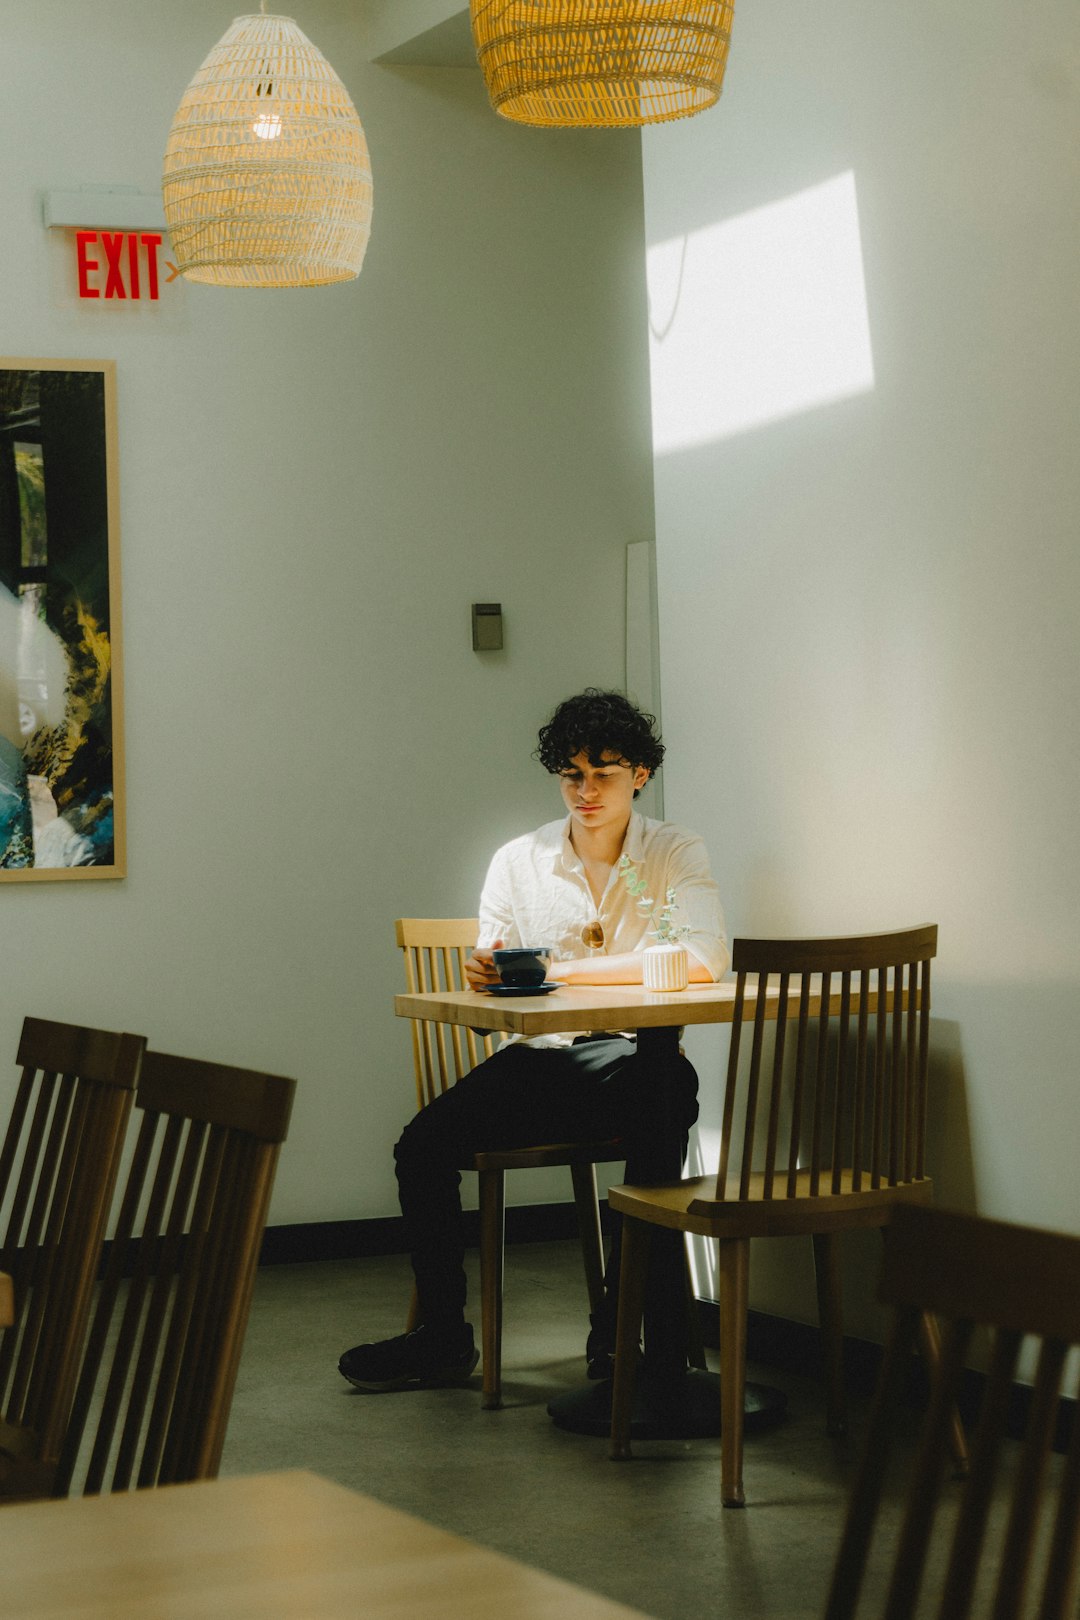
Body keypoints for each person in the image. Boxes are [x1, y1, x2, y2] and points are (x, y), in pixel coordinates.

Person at [339, 688, 729, 1392]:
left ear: (639, 774)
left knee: (662, 1088)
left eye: (603, 774)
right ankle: (444, 1336)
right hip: (542, 1065)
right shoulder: (519, 859)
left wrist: (569, 968)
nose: (585, 790)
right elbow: (499, 969)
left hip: (633, 1058)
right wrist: (487, 970)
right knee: (419, 1146)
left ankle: (624, 1336)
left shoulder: (672, 851)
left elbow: (704, 958)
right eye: (572, 774)